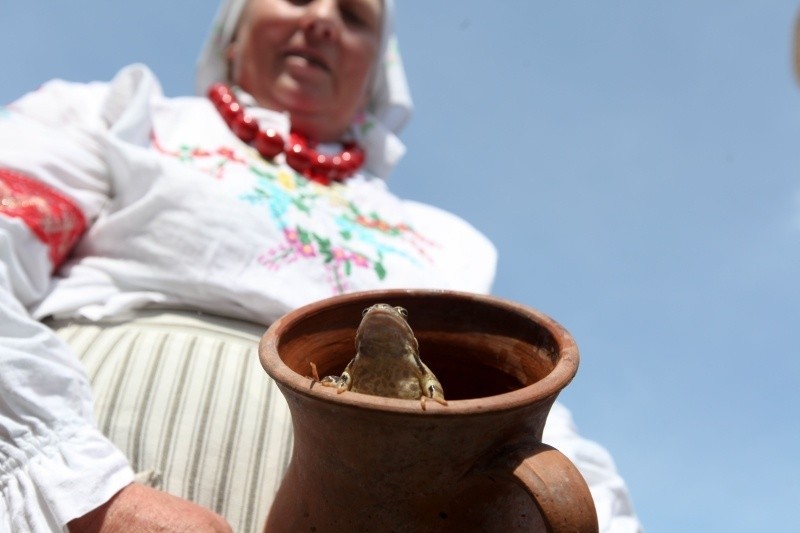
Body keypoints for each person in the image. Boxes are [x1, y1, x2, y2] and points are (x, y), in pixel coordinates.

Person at [0, 0, 641, 531]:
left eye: (355, 15)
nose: (323, 20)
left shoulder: (440, 241)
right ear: (236, 25)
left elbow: (527, 413)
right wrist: (87, 493)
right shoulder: (122, 118)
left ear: (378, 69)